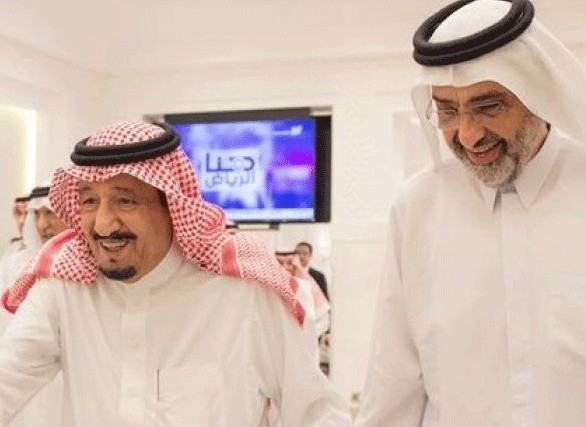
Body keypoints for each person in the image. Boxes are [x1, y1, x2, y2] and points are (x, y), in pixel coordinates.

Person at [0, 121, 351, 427]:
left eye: (125, 200)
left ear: (172, 206)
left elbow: (317, 413)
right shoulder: (63, 289)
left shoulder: (245, 294)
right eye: (89, 201)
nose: (103, 224)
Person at [355, 0, 586, 426]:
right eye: (447, 110)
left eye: (488, 106)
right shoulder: (417, 210)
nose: (467, 134)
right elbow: (393, 392)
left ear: (536, 93)